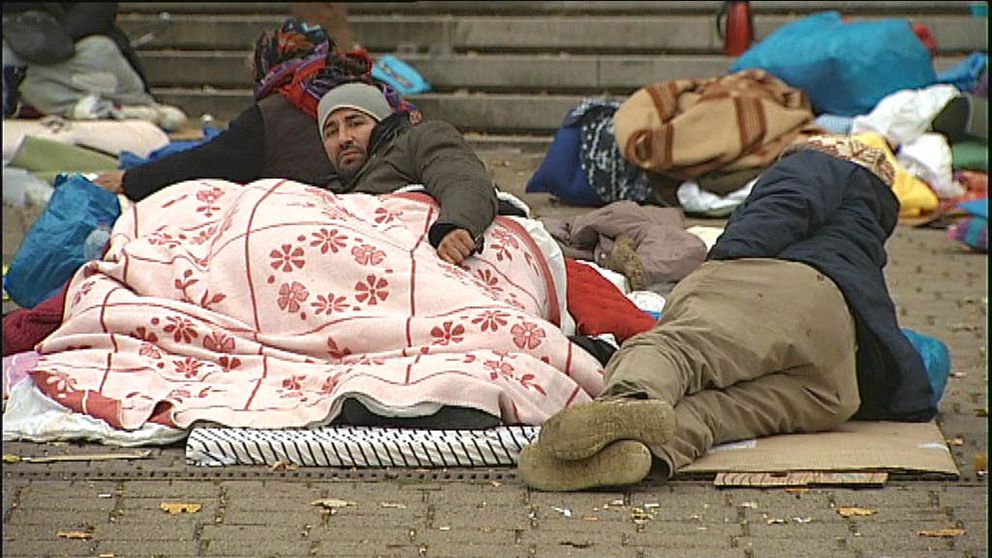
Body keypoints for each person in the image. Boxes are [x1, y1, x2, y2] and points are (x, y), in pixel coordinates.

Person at [518, 134, 938, 491]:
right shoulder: (865, 230)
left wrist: (719, 266)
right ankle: (639, 455)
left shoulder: (820, 165)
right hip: (834, 378)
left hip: (780, 292)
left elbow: (777, 212)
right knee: (713, 413)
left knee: (678, 349)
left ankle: (628, 400)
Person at [92, 18, 418, 202]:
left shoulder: (275, 112)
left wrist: (131, 180)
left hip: (321, 219)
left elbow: (205, 163)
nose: (342, 136)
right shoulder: (374, 91)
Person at [317, 81, 497, 265]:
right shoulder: (327, 193)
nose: (343, 138)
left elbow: (462, 178)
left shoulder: (416, 141)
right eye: (331, 132)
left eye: (355, 123)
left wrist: (454, 227)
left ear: (381, 122)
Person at [2, 2, 185, 128]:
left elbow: (96, 11)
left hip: (73, 44)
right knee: (26, 80)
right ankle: (99, 109)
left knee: (99, 50)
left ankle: (135, 107)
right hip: (16, 50)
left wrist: (58, 39)